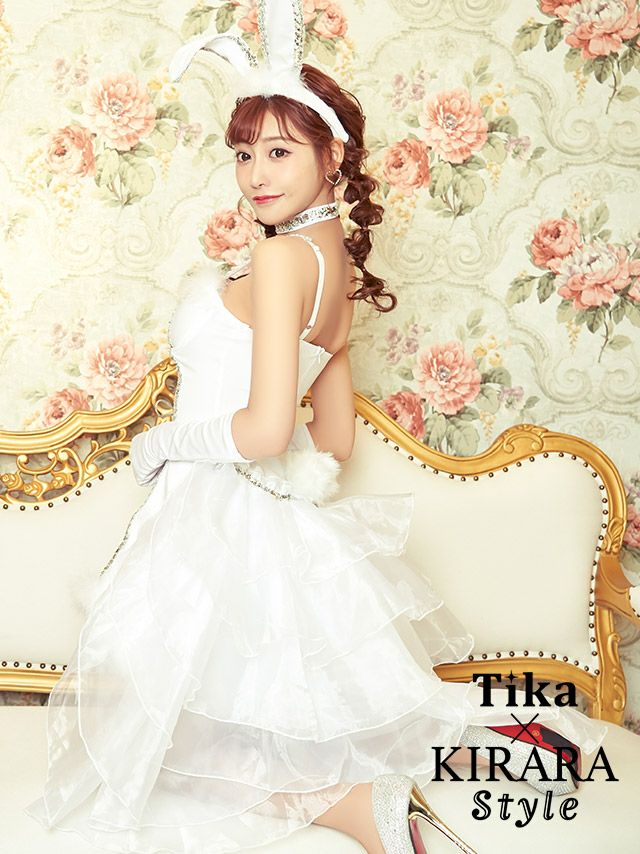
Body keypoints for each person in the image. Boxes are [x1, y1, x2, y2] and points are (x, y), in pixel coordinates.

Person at [24, 4, 609, 853]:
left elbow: (267, 432)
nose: (254, 175)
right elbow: (331, 438)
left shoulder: (275, 258)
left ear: (333, 156)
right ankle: (509, 753)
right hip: (271, 519)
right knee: (240, 722)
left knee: (158, 750)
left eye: (279, 151)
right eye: (243, 153)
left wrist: (159, 443)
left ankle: (362, 809)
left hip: (215, 515)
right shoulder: (335, 267)